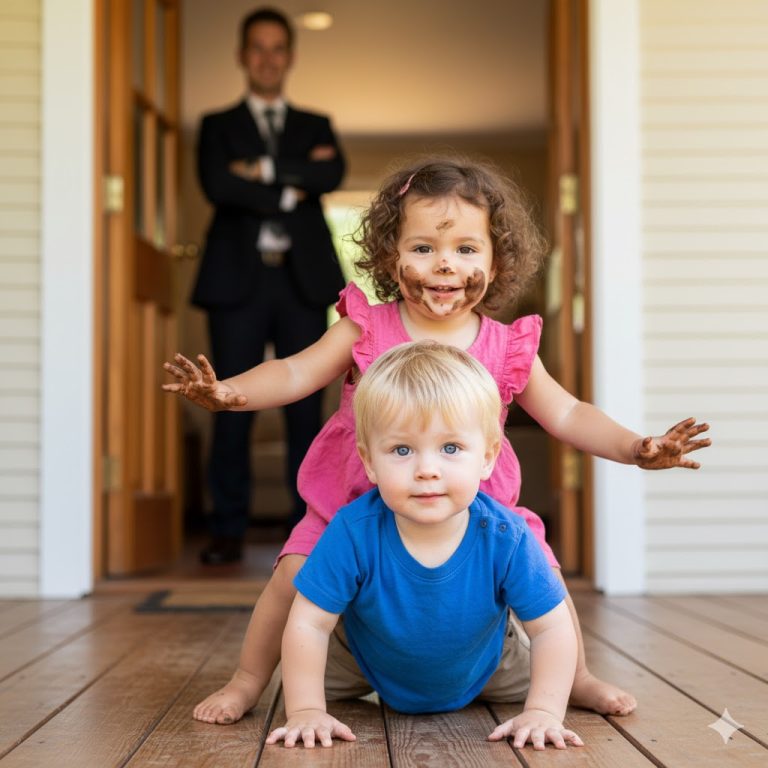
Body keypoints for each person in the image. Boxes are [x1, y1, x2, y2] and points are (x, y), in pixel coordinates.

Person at [163, 156, 710, 724]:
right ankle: (249, 679)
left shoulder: (508, 346)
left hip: (473, 504)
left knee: (540, 569)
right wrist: (231, 393)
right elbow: (295, 373)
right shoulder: (366, 328)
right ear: (390, 257)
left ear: (496, 263)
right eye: (423, 248)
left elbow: (568, 413)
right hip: (352, 499)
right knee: (293, 572)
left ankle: (579, 677)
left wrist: (635, 447)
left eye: (467, 250)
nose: (445, 264)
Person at [265, 341, 583, 750]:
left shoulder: (506, 536)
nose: (427, 471)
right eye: (402, 450)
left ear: (487, 458)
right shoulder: (352, 531)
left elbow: (552, 629)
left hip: (489, 666)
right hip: (363, 660)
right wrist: (306, 710)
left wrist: (543, 711)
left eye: (451, 448)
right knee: (300, 672)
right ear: (369, 462)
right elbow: (309, 622)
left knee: (551, 676)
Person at [191, 7, 346, 564]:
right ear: (241, 55)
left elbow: (331, 175)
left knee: (305, 411)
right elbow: (216, 184)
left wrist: (255, 172)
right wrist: (290, 183)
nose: (267, 58)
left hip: (303, 284)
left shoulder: (317, 125)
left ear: (290, 56)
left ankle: (307, 530)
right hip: (238, 284)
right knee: (231, 402)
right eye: (257, 48)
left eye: (277, 48)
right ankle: (226, 530)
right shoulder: (215, 126)